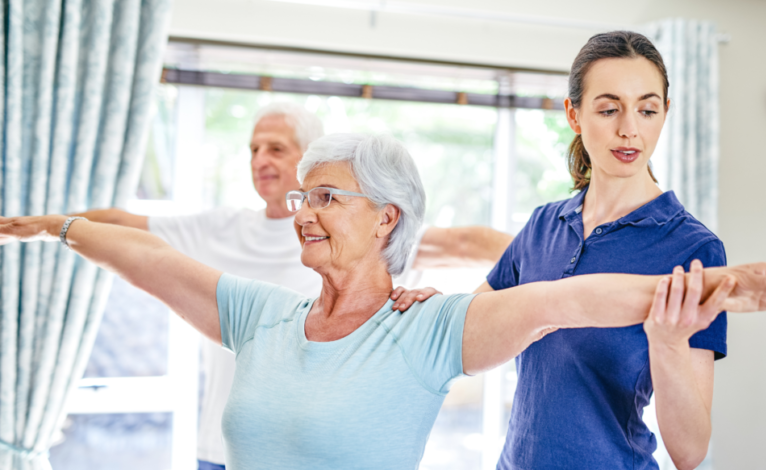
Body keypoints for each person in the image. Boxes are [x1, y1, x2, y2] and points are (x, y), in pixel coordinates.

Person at [3, 133, 766, 469]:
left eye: (326, 196)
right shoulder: (261, 314)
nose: (305, 212)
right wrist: (62, 225)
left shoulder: (432, 330)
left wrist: (718, 287)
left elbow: (569, 300)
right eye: (302, 200)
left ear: (386, 218)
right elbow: (148, 258)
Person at [76, 103, 510, 470]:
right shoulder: (221, 228)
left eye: (276, 149)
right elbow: (132, 238)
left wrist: (462, 307)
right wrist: (55, 225)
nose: (260, 160)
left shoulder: (364, 226)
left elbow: (473, 244)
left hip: (319, 444)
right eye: (254, 149)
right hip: (224, 444)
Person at [479, 31, 766, 470]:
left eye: (647, 110)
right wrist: (431, 307)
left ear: (664, 114)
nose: (629, 128)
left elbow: (690, 452)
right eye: (609, 109)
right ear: (573, 115)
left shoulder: (693, 248)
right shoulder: (542, 225)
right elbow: (471, 331)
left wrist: (667, 344)